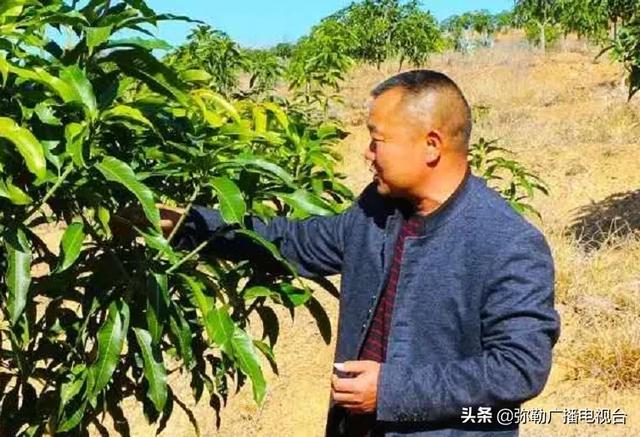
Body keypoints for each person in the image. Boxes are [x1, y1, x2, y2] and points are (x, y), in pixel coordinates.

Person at [155, 70, 561, 436]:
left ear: (431, 145)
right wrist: (188, 224)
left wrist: (390, 391)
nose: (367, 153)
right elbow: (292, 241)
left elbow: (518, 368)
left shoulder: (507, 243)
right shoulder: (376, 210)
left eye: (377, 140)